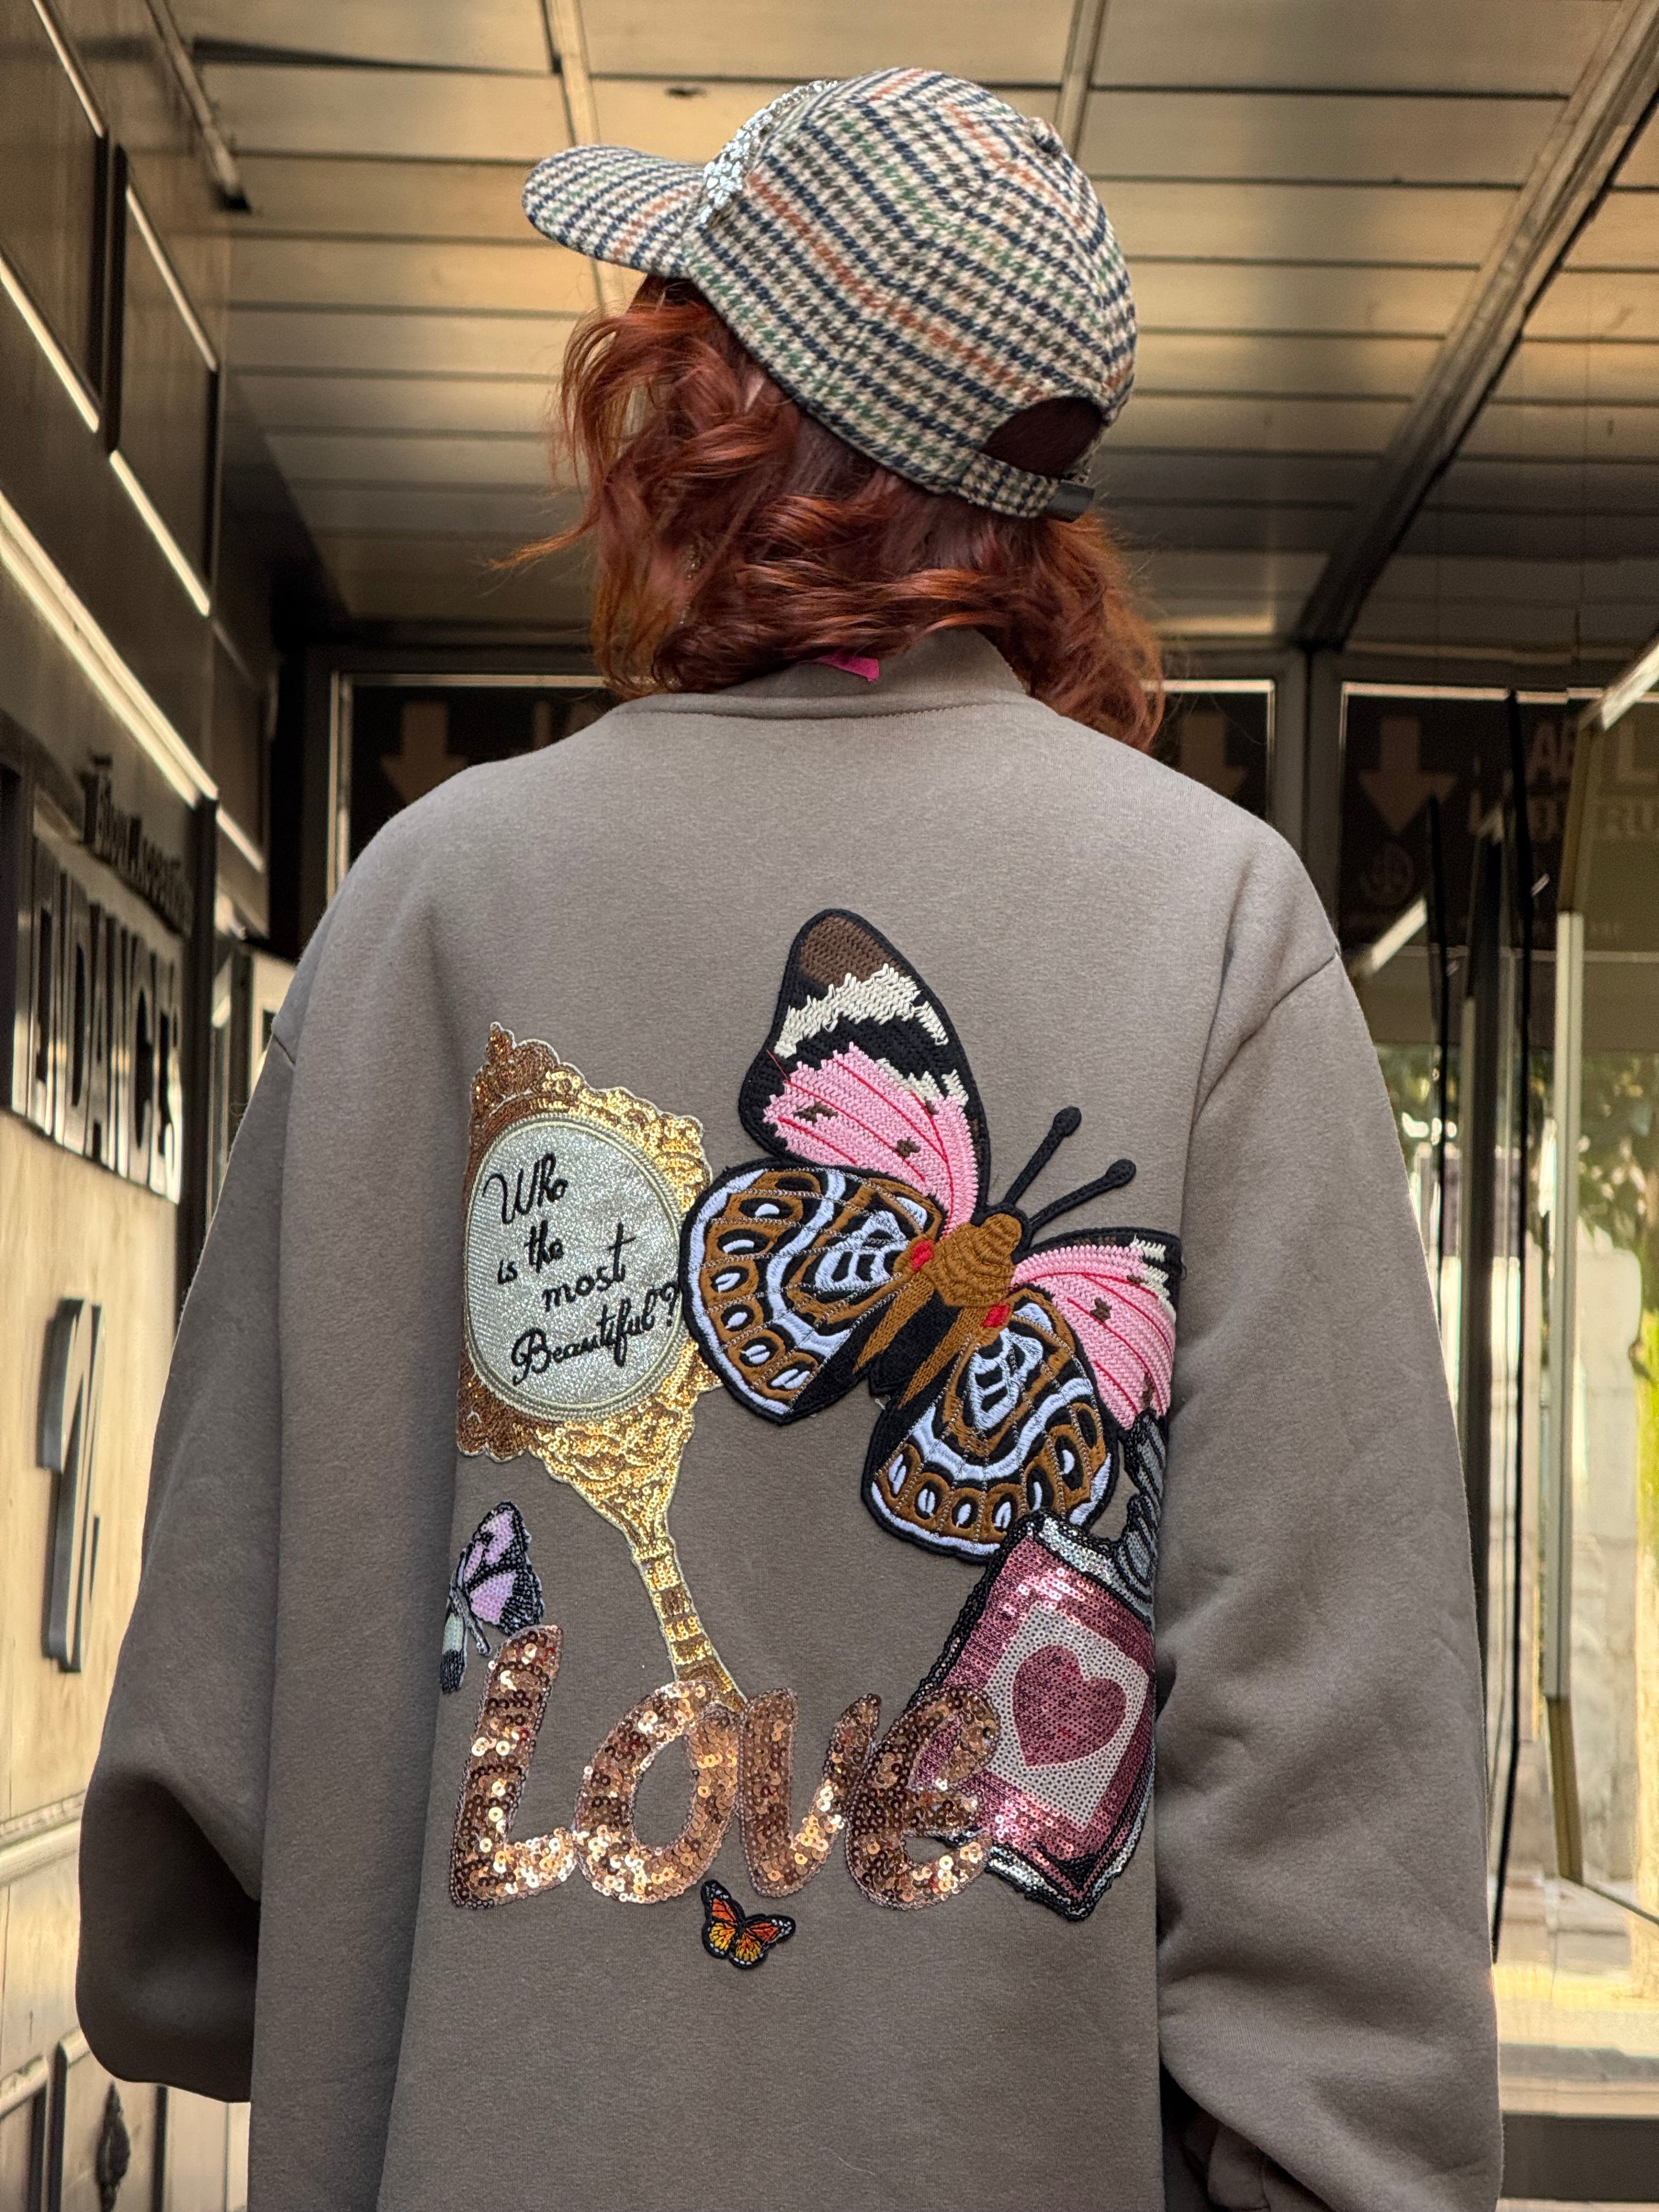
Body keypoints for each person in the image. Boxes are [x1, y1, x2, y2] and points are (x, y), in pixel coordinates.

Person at [77, 68, 1500, 2212]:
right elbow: (1339, 1848)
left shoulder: (435, 909)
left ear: (709, 406)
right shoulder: (1217, 934)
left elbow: (195, 1844)